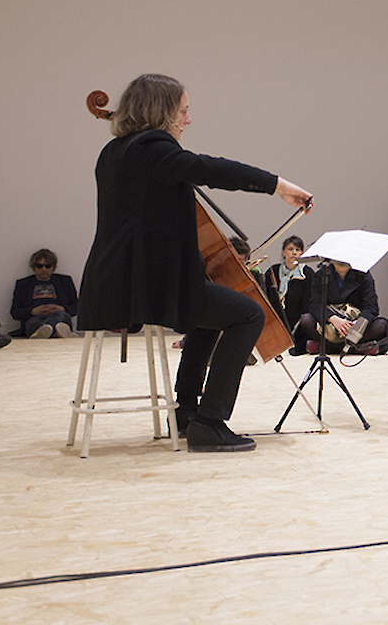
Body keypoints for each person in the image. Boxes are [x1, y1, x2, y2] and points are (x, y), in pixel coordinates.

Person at [77, 73, 312, 453]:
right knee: (247, 314)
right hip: (146, 286)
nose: (188, 120)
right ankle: (210, 422)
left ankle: (187, 410)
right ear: (162, 112)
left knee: (211, 309)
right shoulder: (153, 149)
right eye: (183, 112)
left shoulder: (115, 152)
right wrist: (278, 185)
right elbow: (209, 168)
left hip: (111, 283)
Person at [296, 260, 388, 354]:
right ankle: (357, 349)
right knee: (306, 320)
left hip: (355, 324)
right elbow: (315, 304)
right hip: (329, 325)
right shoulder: (321, 274)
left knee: (381, 324)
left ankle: (327, 348)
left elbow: (371, 307)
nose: (341, 262)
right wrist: (333, 319)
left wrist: (356, 325)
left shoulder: (363, 274)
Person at [10, 248, 78, 338]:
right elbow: (15, 312)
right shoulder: (23, 284)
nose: (43, 269)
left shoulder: (65, 281)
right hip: (34, 317)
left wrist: (62, 308)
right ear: (34, 267)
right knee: (34, 323)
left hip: (59, 315)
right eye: (39, 266)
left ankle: (45, 331)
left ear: (53, 267)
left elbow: (77, 306)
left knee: (60, 317)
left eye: (47, 266)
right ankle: (54, 332)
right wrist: (32, 311)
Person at [265, 235, 315, 346]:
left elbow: (308, 304)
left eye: (298, 250)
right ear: (283, 252)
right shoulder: (272, 271)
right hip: (275, 320)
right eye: (290, 249)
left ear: (302, 253)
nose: (294, 253)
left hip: (298, 322)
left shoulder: (307, 273)